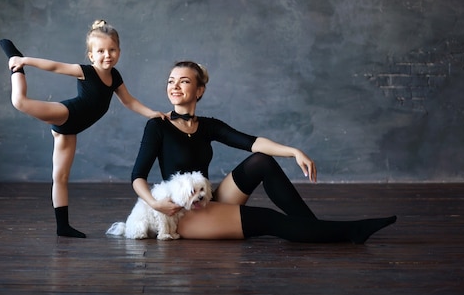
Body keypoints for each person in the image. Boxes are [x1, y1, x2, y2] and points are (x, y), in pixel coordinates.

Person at [130, 61, 397, 243]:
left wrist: (293, 151)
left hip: (207, 199)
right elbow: (138, 176)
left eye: (183, 81)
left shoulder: (208, 125)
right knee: (268, 220)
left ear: (199, 90)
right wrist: (155, 204)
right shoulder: (158, 126)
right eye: (171, 81)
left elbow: (253, 143)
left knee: (261, 162)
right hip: (183, 213)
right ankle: (349, 232)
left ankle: (312, 227)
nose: (174, 86)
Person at [0, 20, 165, 238]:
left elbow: (129, 101)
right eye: (101, 51)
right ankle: (14, 60)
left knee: (60, 176)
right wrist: (25, 60)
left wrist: (153, 113)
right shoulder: (85, 71)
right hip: (67, 113)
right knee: (20, 101)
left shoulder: (115, 77)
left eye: (112, 50)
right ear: (91, 55)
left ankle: (63, 227)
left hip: (70, 130)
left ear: (119, 51)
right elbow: (55, 66)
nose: (107, 55)